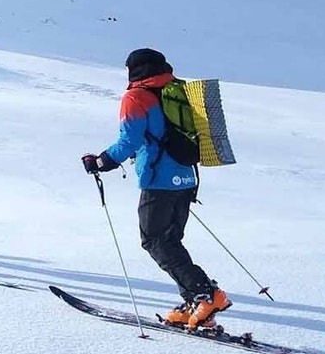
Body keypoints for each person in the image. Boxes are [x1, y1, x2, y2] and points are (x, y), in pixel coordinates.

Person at [82, 48, 231, 330]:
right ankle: (196, 305)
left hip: (159, 180)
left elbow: (129, 140)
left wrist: (102, 161)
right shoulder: (177, 90)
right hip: (186, 178)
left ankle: (207, 295)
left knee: (155, 240)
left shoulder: (136, 97)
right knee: (171, 241)